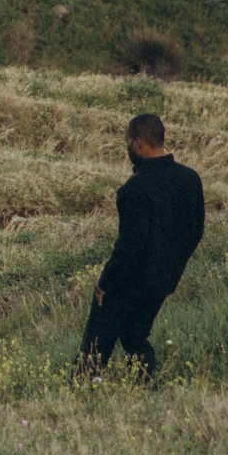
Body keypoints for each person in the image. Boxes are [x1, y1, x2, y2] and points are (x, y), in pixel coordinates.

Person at [79, 112, 206, 379]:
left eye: (127, 143)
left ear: (138, 143)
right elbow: (195, 232)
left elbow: (128, 247)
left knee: (98, 339)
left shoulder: (134, 189)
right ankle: (145, 383)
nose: (127, 149)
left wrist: (105, 283)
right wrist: (170, 266)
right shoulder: (190, 179)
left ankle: (82, 386)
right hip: (164, 280)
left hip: (131, 280)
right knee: (135, 335)